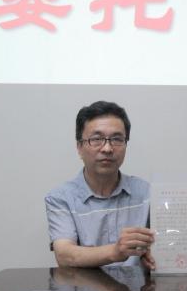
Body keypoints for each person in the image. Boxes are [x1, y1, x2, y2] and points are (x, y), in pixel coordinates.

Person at [45, 101, 155, 269]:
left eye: (117, 139)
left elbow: (164, 243)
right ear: (79, 147)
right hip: (83, 286)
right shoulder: (60, 198)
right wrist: (115, 252)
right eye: (96, 139)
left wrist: (153, 254)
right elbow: (65, 255)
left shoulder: (146, 193)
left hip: (135, 286)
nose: (107, 148)